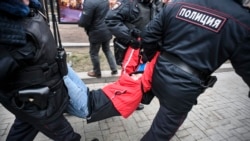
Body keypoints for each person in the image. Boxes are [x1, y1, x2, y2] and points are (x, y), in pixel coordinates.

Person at [139, 0, 250, 140]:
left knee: (166, 111)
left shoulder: (177, 4)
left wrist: (152, 58)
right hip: (184, 87)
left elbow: (148, 35)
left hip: (160, 72)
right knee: (159, 133)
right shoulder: (242, 20)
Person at [0, 0, 81, 140]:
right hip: (33, 98)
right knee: (64, 133)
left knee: (24, 126)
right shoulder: (6, 27)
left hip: (43, 92)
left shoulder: (31, 10)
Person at [64, 47, 159, 123]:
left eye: (137, 74)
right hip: (87, 94)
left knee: (61, 74)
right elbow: (129, 64)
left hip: (86, 106)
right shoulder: (127, 81)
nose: (133, 74)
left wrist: (161, 50)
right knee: (64, 66)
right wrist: (136, 44)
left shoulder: (138, 90)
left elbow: (151, 69)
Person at [105, 0, 164, 110]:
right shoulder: (128, 2)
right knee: (128, 73)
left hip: (148, 49)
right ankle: (122, 99)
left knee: (141, 74)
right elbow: (111, 20)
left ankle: (133, 98)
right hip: (132, 47)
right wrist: (131, 37)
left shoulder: (157, 4)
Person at [78, 0, 117, 78]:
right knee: (107, 49)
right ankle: (114, 69)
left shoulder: (89, 2)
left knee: (93, 53)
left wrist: (80, 22)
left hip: (96, 32)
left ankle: (97, 72)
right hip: (106, 29)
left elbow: (84, 20)